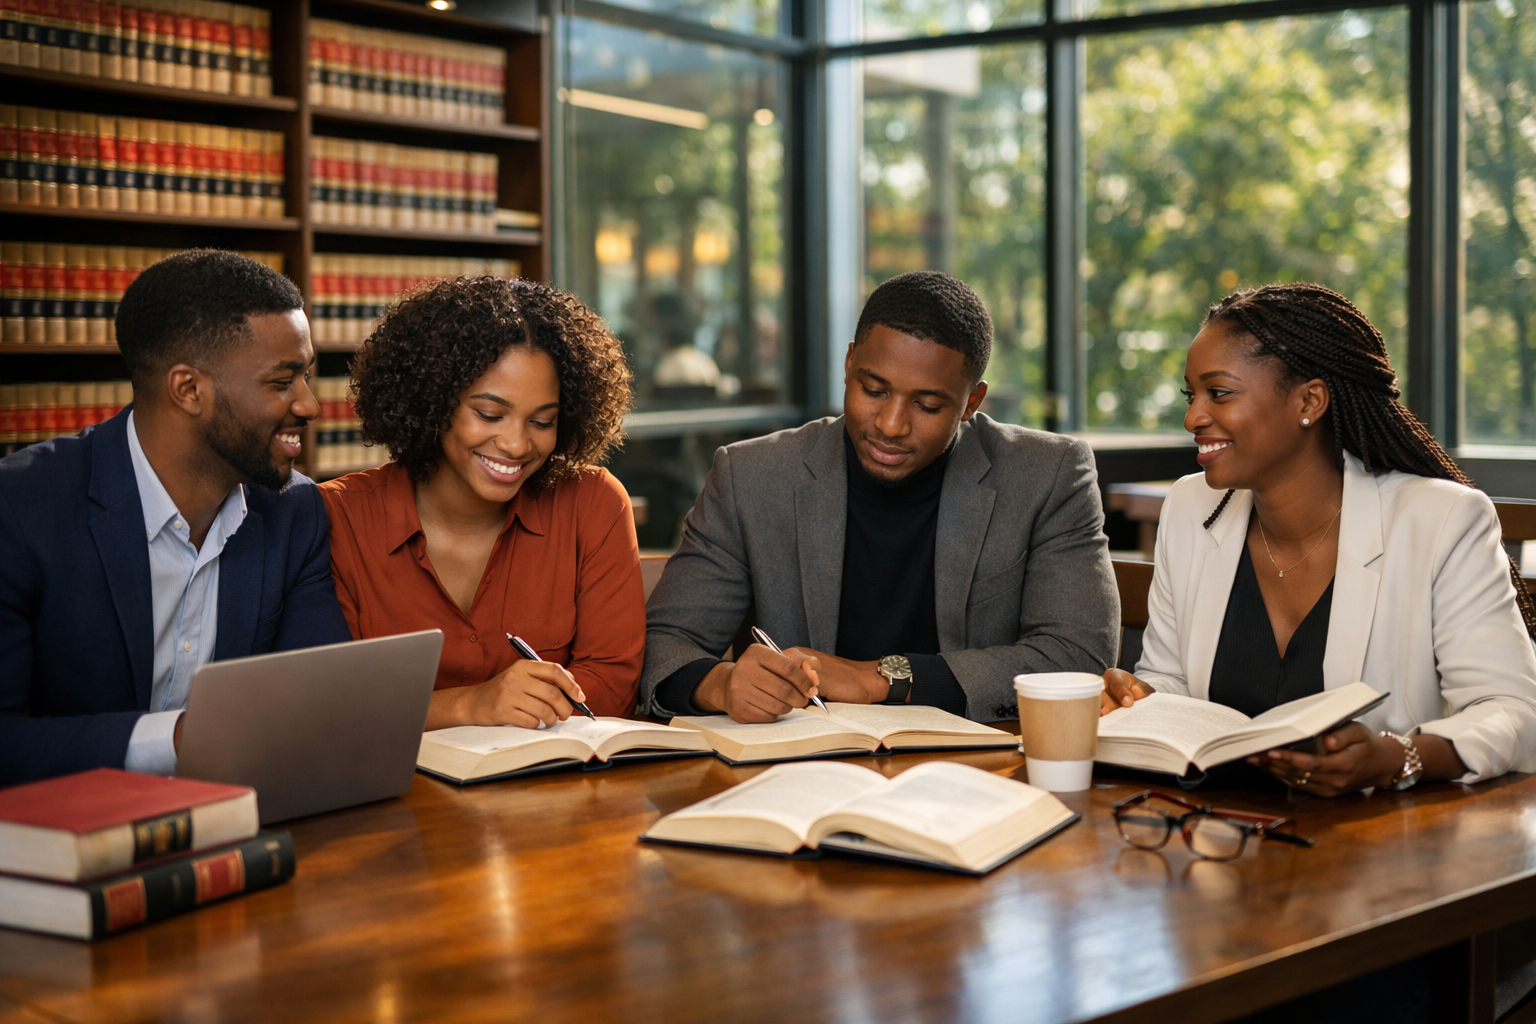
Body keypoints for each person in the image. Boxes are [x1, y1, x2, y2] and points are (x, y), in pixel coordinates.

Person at [1103, 282, 1536, 797]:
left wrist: (1399, 756)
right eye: (1190, 394)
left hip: (1378, 845)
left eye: (1219, 393)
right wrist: (1144, 700)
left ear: (1309, 401)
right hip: (1217, 835)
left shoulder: (1442, 520)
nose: (1193, 416)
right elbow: (1173, 681)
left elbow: (1514, 713)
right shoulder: (1189, 507)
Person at [641, 270, 1119, 722]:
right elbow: (665, 644)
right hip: (808, 767)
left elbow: (1078, 656)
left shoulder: (1047, 476)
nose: (890, 426)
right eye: (873, 390)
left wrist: (876, 679)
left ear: (972, 402)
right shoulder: (752, 476)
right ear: (849, 364)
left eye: (927, 405)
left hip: (981, 769)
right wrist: (721, 684)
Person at [0, 250, 353, 786]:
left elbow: (319, 707)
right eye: (283, 382)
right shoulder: (20, 508)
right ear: (188, 389)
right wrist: (180, 738)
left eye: (307, 376)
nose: (310, 405)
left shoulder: (294, 512)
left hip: (248, 823)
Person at [321, 277, 643, 729]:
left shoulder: (593, 505)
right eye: (489, 414)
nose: (515, 444)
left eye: (542, 421)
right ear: (434, 402)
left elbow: (611, 687)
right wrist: (472, 706)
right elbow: (332, 708)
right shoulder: (337, 518)